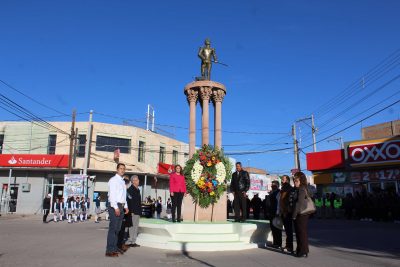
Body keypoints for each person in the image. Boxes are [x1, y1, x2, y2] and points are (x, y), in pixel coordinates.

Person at [105, 163, 129, 257]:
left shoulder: (123, 181)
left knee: (117, 229)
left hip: (121, 206)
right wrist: (115, 207)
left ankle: (114, 248)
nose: (122, 170)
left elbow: (123, 196)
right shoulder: (113, 180)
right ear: (117, 169)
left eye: (124, 169)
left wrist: (126, 206)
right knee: (113, 229)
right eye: (121, 168)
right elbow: (112, 196)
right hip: (115, 206)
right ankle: (109, 250)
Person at [292, 171, 312, 258]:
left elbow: (298, 203)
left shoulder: (301, 188)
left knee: (301, 232)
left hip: (301, 214)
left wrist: (294, 215)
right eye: (294, 181)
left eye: (296, 181)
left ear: (301, 180)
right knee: (300, 232)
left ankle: (303, 250)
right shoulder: (301, 188)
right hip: (302, 213)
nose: (294, 183)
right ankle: (301, 249)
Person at [117, 176, 132, 254]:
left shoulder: (126, 191)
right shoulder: (121, 190)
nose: (127, 184)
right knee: (119, 230)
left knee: (122, 230)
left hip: (126, 212)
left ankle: (120, 245)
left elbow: (129, 200)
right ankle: (117, 246)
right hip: (120, 211)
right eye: (126, 182)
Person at [279, 175, 294, 253]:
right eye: (281, 179)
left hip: (287, 212)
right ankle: (288, 245)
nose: (282, 180)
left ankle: (289, 247)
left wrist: (285, 211)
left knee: (289, 230)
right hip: (284, 211)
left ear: (287, 180)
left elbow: (286, 201)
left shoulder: (288, 188)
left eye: (283, 179)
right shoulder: (283, 188)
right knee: (287, 230)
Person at [126, 175, 142, 247]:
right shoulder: (130, 190)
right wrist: (131, 211)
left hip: (137, 211)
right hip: (133, 211)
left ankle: (133, 241)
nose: (138, 181)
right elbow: (129, 201)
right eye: (137, 180)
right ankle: (130, 241)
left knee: (136, 227)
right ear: (133, 181)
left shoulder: (138, 190)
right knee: (132, 226)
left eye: (138, 179)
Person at [268, 180, 282, 249]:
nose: (272, 186)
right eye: (271, 185)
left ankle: (278, 243)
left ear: (277, 185)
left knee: (277, 228)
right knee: (273, 228)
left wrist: (278, 212)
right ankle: (275, 242)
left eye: (273, 185)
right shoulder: (272, 192)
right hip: (271, 212)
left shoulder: (278, 193)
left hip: (276, 213)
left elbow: (278, 203)